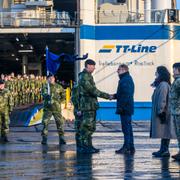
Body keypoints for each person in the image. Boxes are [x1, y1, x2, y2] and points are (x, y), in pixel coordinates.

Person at [78, 59, 112, 153]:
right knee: (87, 127)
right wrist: (107, 96)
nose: (94, 68)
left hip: (90, 105)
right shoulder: (84, 76)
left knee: (91, 127)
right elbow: (92, 90)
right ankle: (84, 147)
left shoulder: (88, 76)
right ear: (88, 66)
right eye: (93, 66)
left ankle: (89, 146)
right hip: (87, 105)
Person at [150, 66, 176, 157]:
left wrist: (161, 111)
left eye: (156, 72)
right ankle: (163, 149)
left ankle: (164, 150)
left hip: (164, 112)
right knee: (164, 131)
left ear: (160, 73)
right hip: (164, 111)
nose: (155, 74)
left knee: (165, 131)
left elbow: (162, 99)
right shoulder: (162, 84)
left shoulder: (163, 85)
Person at [114, 64, 135, 154]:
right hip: (127, 107)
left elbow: (126, 95)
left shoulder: (125, 80)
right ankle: (130, 147)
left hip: (125, 108)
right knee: (128, 128)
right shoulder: (126, 79)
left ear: (124, 70)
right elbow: (122, 94)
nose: (117, 71)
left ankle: (127, 147)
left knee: (126, 128)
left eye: (118, 69)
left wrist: (121, 107)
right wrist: (114, 96)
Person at [41, 75, 66, 146]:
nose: (51, 79)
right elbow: (44, 94)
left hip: (56, 109)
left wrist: (59, 102)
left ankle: (62, 139)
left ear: (54, 79)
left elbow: (63, 95)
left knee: (60, 124)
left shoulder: (59, 86)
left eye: (52, 78)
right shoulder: (46, 87)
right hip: (47, 109)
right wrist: (47, 96)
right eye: (49, 78)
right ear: (47, 79)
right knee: (45, 123)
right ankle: (44, 139)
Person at [170, 62, 180, 161]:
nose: (173, 70)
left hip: (178, 111)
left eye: (175, 69)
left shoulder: (179, 81)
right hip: (175, 111)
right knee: (178, 133)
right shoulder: (176, 80)